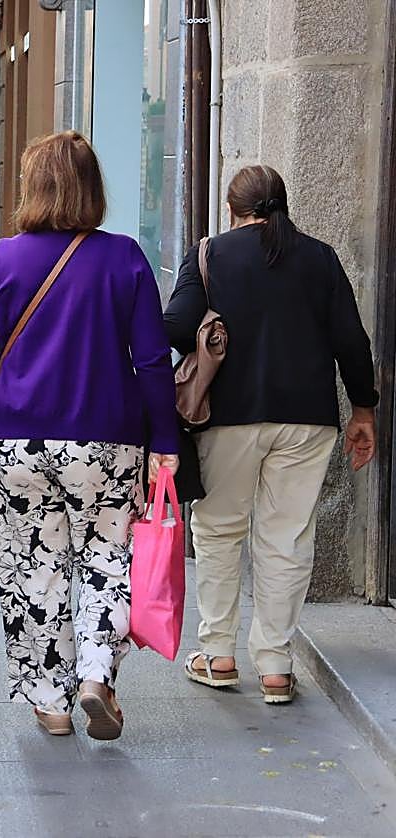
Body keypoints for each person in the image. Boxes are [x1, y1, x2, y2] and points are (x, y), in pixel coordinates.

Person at [0, 131, 178, 740]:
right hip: (107, 440)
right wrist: (165, 443)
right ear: (92, 189)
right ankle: (96, 676)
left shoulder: (3, 258)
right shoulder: (125, 258)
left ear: (33, 186)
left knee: (34, 566)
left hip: (18, 442)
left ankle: (51, 702)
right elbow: (153, 360)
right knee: (108, 557)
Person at [163, 165, 377, 704]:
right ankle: (276, 665)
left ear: (232, 210)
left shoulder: (210, 254)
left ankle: (218, 654)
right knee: (287, 537)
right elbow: (352, 340)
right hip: (307, 418)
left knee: (219, 531)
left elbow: (175, 326)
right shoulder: (320, 258)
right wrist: (364, 409)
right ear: (282, 205)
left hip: (228, 416)